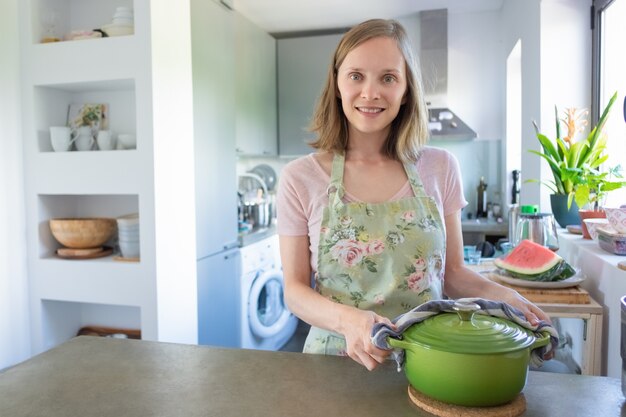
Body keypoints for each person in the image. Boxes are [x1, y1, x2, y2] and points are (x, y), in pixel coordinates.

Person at [276, 18, 551, 371]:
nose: (371, 92)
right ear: (338, 83)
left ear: (406, 90)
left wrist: (508, 298)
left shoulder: (440, 167)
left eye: (388, 78)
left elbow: (453, 274)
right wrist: (350, 321)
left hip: (430, 359)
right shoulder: (300, 178)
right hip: (334, 364)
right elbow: (295, 290)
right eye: (356, 75)